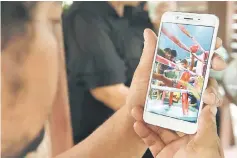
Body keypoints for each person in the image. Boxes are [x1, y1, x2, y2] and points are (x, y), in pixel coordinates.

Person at [1, 1, 227, 158]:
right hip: (103, 122)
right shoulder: (85, 16)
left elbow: (157, 64)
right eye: (52, 21)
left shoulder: (136, 15)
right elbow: (107, 90)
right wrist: (165, 111)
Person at [62, 1, 140, 145]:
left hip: (137, 134)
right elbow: (108, 91)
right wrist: (162, 118)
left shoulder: (133, 14)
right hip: (105, 142)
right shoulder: (84, 16)